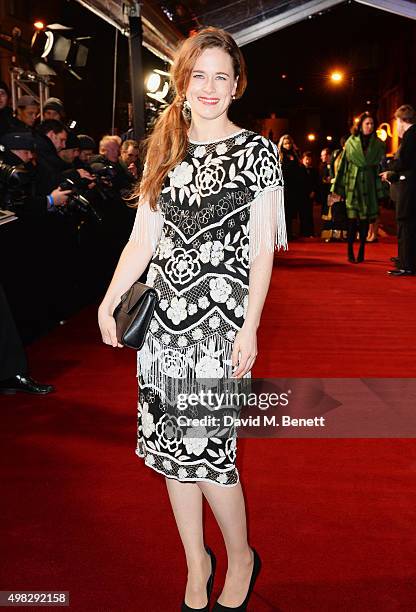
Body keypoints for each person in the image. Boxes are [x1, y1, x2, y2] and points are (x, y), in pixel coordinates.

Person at [98, 26, 287, 612]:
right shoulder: (165, 150)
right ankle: (195, 561)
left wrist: (250, 326)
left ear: (236, 87)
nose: (209, 87)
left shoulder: (257, 155)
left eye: (221, 77)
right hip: (163, 331)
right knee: (169, 455)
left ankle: (241, 555)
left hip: (221, 332)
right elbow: (142, 241)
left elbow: (260, 252)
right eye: (198, 74)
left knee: (212, 457)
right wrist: (110, 299)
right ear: (183, 82)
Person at [331, 112, 386, 262]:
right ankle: (349, 250)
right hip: (352, 184)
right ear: (360, 125)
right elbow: (343, 166)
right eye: (367, 123)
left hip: (368, 186)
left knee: (364, 221)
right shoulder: (350, 142)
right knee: (351, 221)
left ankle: (361, 249)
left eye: (372, 124)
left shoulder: (379, 145)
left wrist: (381, 191)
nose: (370, 126)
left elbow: (379, 169)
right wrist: (338, 189)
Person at [381, 104, 416, 276]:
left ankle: (406, 264)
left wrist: (389, 168)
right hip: (409, 186)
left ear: (402, 120)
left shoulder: (411, 137)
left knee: (405, 225)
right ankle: (406, 260)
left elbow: (404, 163)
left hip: (409, 189)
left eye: (397, 121)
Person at [277, 134, 303, 239]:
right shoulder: (280, 154)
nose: (287, 145)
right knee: (284, 210)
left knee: (291, 211)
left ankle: (290, 232)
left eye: (289, 143)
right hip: (284, 186)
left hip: (294, 186)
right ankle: (282, 234)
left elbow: (298, 169)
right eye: (285, 143)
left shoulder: (295, 154)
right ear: (282, 144)